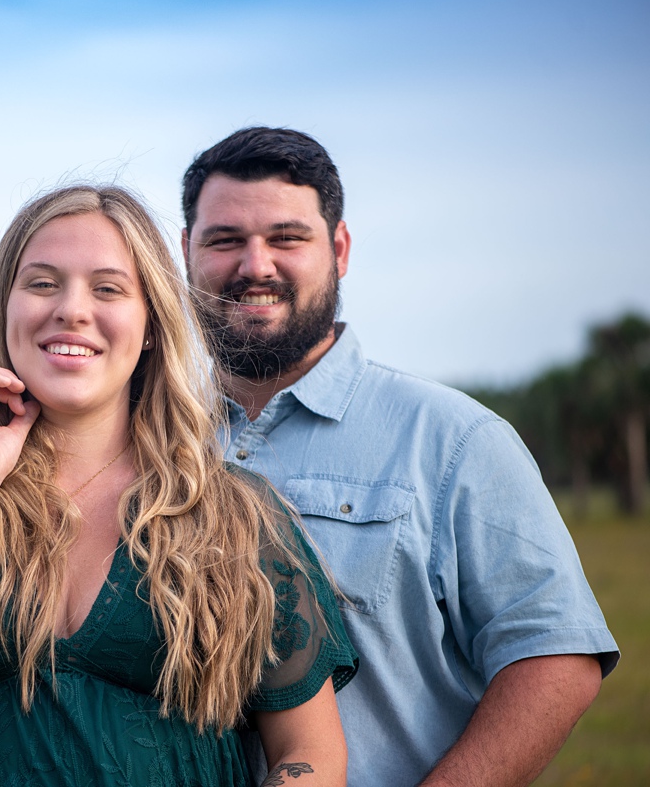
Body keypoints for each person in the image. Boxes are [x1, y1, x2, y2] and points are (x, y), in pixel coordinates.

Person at [0, 185, 359, 786]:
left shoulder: (236, 515)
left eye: (107, 288)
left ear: (150, 325)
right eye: (43, 283)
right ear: (5, 308)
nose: (71, 309)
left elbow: (309, 752)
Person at [180, 127, 620, 787]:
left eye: (286, 237)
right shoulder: (147, 443)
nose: (255, 264)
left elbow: (555, 656)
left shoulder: (455, 439)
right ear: (185, 255)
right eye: (224, 240)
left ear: (340, 249)